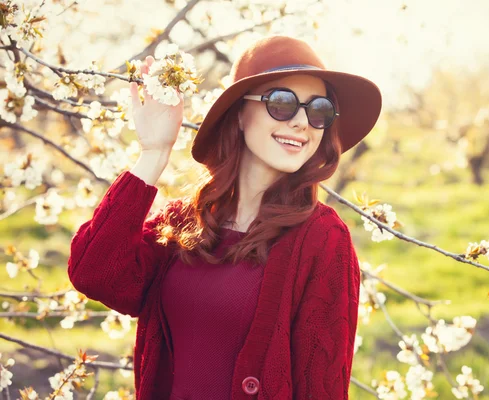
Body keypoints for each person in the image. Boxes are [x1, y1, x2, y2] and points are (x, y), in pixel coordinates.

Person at [68, 35, 381, 400]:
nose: (302, 123)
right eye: (282, 103)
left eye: (319, 110)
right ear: (239, 115)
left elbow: (321, 390)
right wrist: (153, 153)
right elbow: (94, 272)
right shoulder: (185, 222)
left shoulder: (324, 239)